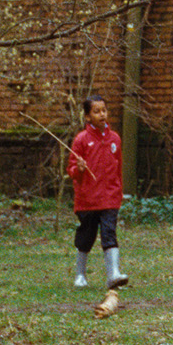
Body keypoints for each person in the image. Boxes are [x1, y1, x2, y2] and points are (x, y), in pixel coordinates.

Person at [68, 95, 128, 290]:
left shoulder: (115, 139)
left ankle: (113, 274)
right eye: (96, 111)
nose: (102, 114)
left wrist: (118, 191)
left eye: (104, 110)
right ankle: (80, 275)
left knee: (109, 233)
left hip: (110, 198)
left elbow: (118, 167)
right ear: (87, 117)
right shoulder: (81, 140)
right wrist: (80, 168)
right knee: (86, 236)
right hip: (88, 200)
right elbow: (72, 172)